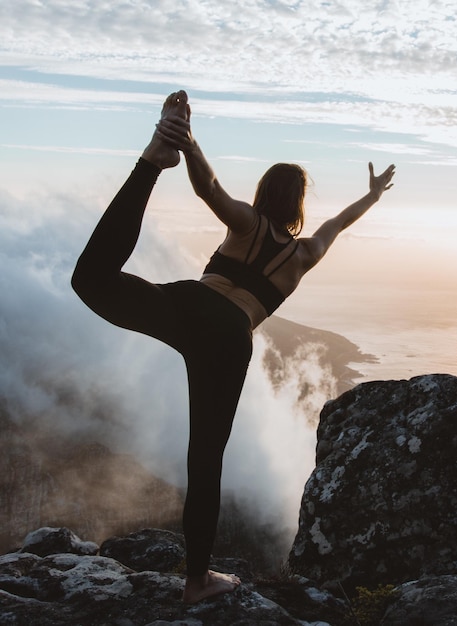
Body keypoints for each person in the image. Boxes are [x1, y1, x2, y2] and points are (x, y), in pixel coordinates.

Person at [71, 90, 395, 604]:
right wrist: (373, 196)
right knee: (206, 460)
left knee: (90, 279)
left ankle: (150, 166)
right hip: (229, 339)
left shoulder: (247, 223)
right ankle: (198, 580)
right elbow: (338, 224)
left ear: (265, 193)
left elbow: (210, 188)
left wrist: (186, 144)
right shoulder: (306, 254)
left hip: (189, 304)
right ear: (300, 205)